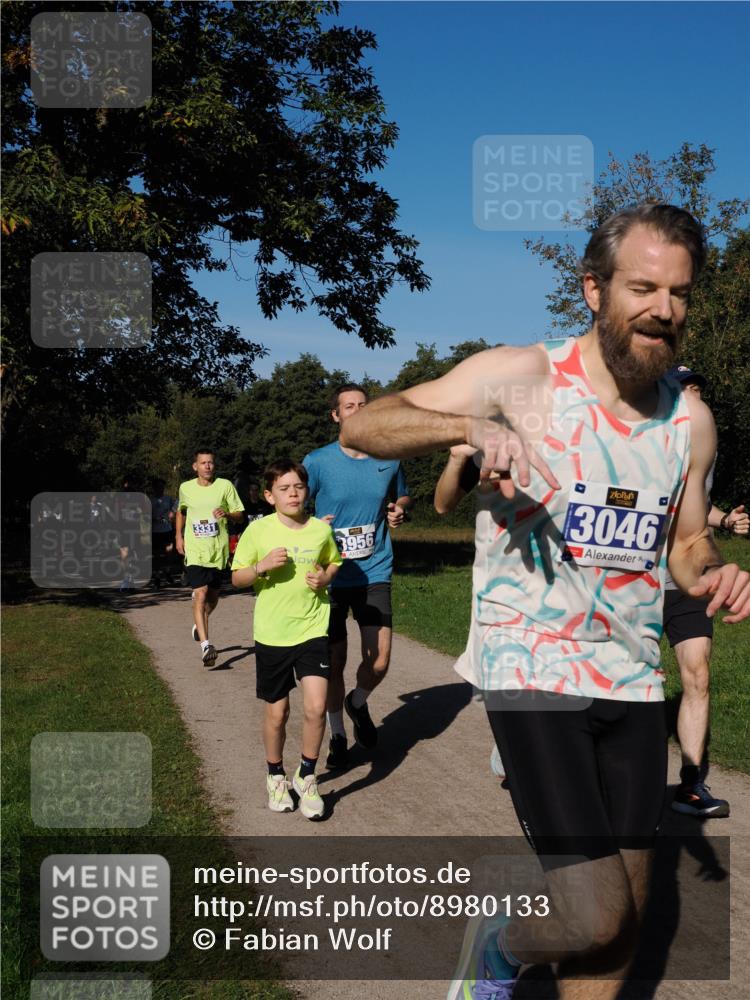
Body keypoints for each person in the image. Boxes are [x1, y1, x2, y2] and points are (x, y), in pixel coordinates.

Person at [339, 203, 750, 999]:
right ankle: (497, 951)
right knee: (594, 912)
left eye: (679, 293)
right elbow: (368, 429)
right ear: (594, 289)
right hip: (531, 661)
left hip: (632, 673)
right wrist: (469, 424)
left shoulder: (690, 421)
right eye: (642, 288)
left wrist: (715, 570)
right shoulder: (524, 377)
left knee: (623, 920)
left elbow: (688, 540)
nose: (663, 309)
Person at [303, 384, 411, 768]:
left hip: (374, 570)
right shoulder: (317, 462)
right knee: (333, 664)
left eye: (364, 404)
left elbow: (402, 495)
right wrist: (312, 526)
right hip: (330, 576)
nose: (358, 410)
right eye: (349, 406)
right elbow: (293, 506)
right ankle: (337, 734)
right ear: (336, 415)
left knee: (379, 660)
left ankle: (357, 701)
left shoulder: (388, 457)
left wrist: (399, 508)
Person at [232, 459, 342, 818]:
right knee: (278, 713)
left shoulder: (319, 530)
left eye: (298, 487)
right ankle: (275, 775)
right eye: (284, 488)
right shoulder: (258, 531)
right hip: (273, 633)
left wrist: (325, 578)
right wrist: (261, 566)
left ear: (306, 491)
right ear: (270, 496)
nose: (293, 494)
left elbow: (333, 561)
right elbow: (237, 578)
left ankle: (307, 777)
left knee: (316, 707)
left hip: (313, 629)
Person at [663, 366, 749, 818]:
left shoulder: (703, 443)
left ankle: (691, 784)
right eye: (684, 389)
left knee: (697, 674)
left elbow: (698, 505)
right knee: (621, 683)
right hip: (632, 581)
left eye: (697, 387)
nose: (694, 395)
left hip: (689, 582)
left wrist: (725, 521)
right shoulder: (637, 441)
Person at [175, 450, 244, 667]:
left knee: (212, 598)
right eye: (203, 463)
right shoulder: (186, 488)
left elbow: (240, 515)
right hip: (196, 550)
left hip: (218, 551)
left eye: (211, 463)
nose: (207, 466)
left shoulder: (225, 486)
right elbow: (181, 512)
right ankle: (206, 646)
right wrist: (178, 536)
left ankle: (200, 623)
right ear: (195, 466)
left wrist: (227, 513)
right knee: (201, 593)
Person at [149, 478, 177, 587]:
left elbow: (177, 505)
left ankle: (167, 572)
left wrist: (172, 512)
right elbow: (144, 515)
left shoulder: (168, 499)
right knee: (156, 555)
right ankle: (157, 576)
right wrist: (153, 518)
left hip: (167, 529)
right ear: (154, 488)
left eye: (162, 487)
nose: (160, 489)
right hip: (155, 531)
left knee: (169, 552)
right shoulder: (150, 500)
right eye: (158, 487)